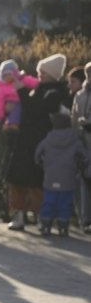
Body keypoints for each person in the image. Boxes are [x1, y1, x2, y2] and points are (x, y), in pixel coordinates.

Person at [6, 53, 70, 231]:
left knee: (37, 182)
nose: (39, 74)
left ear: (52, 74)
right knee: (17, 179)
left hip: (40, 142)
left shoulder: (54, 92)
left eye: (43, 72)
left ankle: (43, 216)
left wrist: (21, 90)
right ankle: (18, 213)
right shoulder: (39, 88)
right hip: (25, 140)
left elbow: (36, 109)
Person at [34, 113, 89, 237]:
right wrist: (80, 166)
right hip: (68, 177)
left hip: (50, 176)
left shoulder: (48, 139)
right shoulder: (74, 140)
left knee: (49, 200)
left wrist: (41, 163)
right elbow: (85, 156)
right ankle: (63, 226)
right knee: (65, 202)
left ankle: (46, 224)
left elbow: (37, 154)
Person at [71, 62, 91, 233]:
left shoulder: (82, 95)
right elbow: (74, 116)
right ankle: (86, 219)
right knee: (84, 180)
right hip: (84, 142)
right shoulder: (81, 95)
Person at [0, 60, 39, 131]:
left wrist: (38, 84)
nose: (7, 77)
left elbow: (31, 81)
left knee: (17, 109)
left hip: (21, 100)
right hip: (10, 102)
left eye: (9, 74)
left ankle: (13, 123)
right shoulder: (1, 87)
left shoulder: (21, 80)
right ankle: (10, 124)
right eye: (4, 75)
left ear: (14, 73)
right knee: (14, 109)